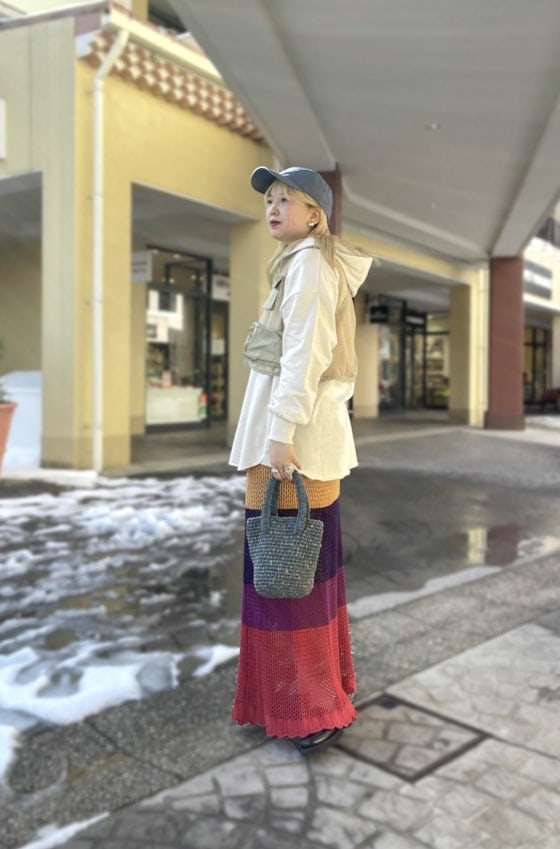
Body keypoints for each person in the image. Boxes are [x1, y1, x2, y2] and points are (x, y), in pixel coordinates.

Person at [229, 165, 373, 753]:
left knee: (290, 584)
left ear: (316, 215)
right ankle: (299, 699)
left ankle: (311, 711)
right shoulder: (301, 262)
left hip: (293, 449)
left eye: (285, 199)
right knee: (297, 578)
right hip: (298, 445)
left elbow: (304, 356)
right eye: (269, 198)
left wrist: (280, 433)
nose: (272, 207)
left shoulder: (311, 264)